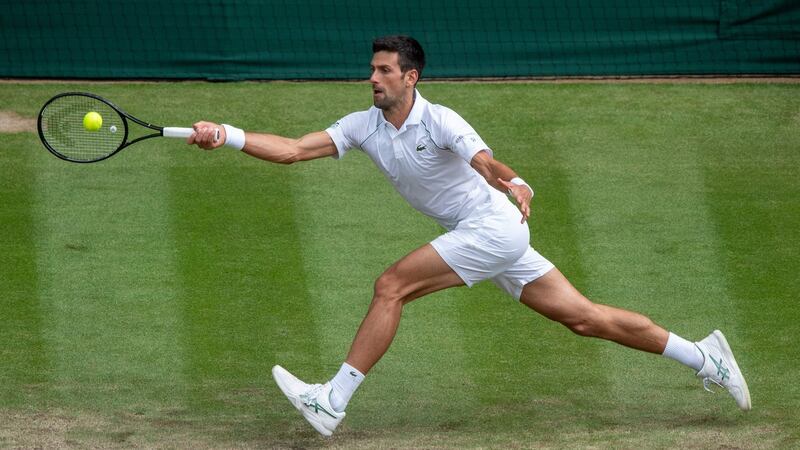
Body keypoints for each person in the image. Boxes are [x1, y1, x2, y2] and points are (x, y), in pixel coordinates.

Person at [187, 35, 751, 437]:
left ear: (411, 77)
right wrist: (227, 134)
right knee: (584, 317)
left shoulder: (441, 120)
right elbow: (292, 149)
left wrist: (517, 180)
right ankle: (705, 358)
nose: (374, 78)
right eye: (373, 69)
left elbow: (484, 162)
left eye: (385, 71)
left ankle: (332, 400)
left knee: (391, 287)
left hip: (493, 227)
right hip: (486, 235)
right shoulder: (362, 125)